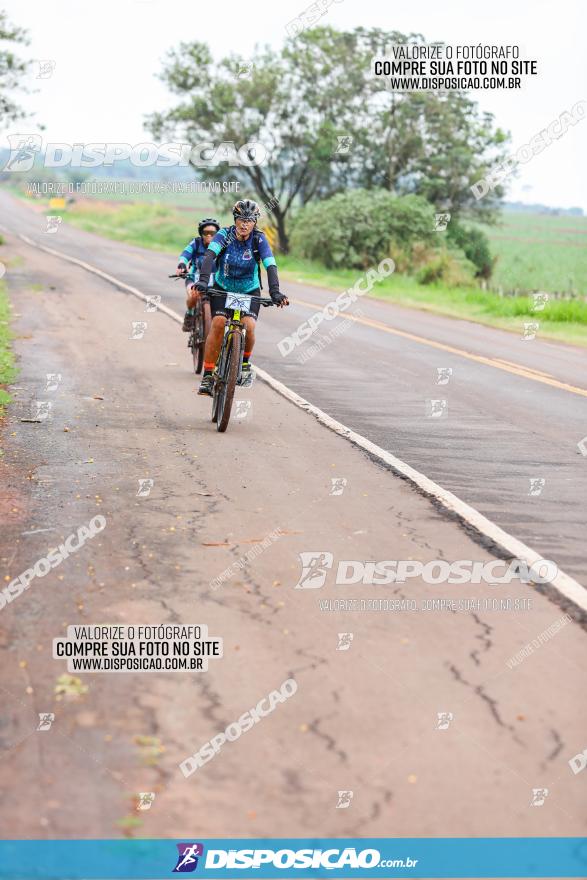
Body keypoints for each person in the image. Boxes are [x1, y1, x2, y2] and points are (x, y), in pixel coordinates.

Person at [194, 199, 288, 396]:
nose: (245, 224)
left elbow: (270, 265)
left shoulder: (259, 240)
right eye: (241, 219)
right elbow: (210, 256)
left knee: (250, 327)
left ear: (255, 222)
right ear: (235, 219)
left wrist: (275, 292)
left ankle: (244, 363)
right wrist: (203, 281)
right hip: (223, 287)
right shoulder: (224, 235)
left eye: (250, 220)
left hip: (249, 290)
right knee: (218, 323)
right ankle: (208, 375)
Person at [176, 218, 220, 331]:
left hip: (216, 279)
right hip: (195, 277)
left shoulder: (222, 245)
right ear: (201, 233)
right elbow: (185, 254)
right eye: (206, 233)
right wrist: (182, 264)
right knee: (193, 295)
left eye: (213, 233)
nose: (209, 235)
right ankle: (190, 314)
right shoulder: (196, 243)